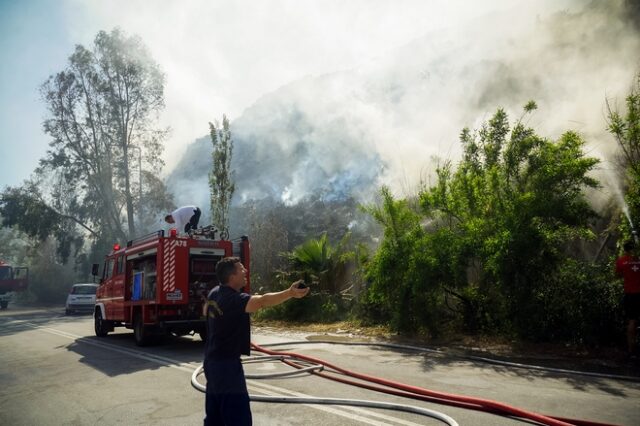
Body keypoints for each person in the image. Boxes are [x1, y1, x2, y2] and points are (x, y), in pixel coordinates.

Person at [203, 257, 309, 425]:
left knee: (215, 418)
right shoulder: (233, 300)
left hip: (211, 363)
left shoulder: (214, 293)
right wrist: (289, 293)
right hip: (227, 367)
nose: (245, 271)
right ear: (232, 276)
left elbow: (205, 310)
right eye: (241, 269)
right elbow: (262, 301)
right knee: (238, 418)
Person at [615, 240, 640, 358]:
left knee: (631, 321)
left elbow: (618, 275)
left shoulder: (621, 261)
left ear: (624, 249)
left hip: (630, 294)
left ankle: (631, 351)